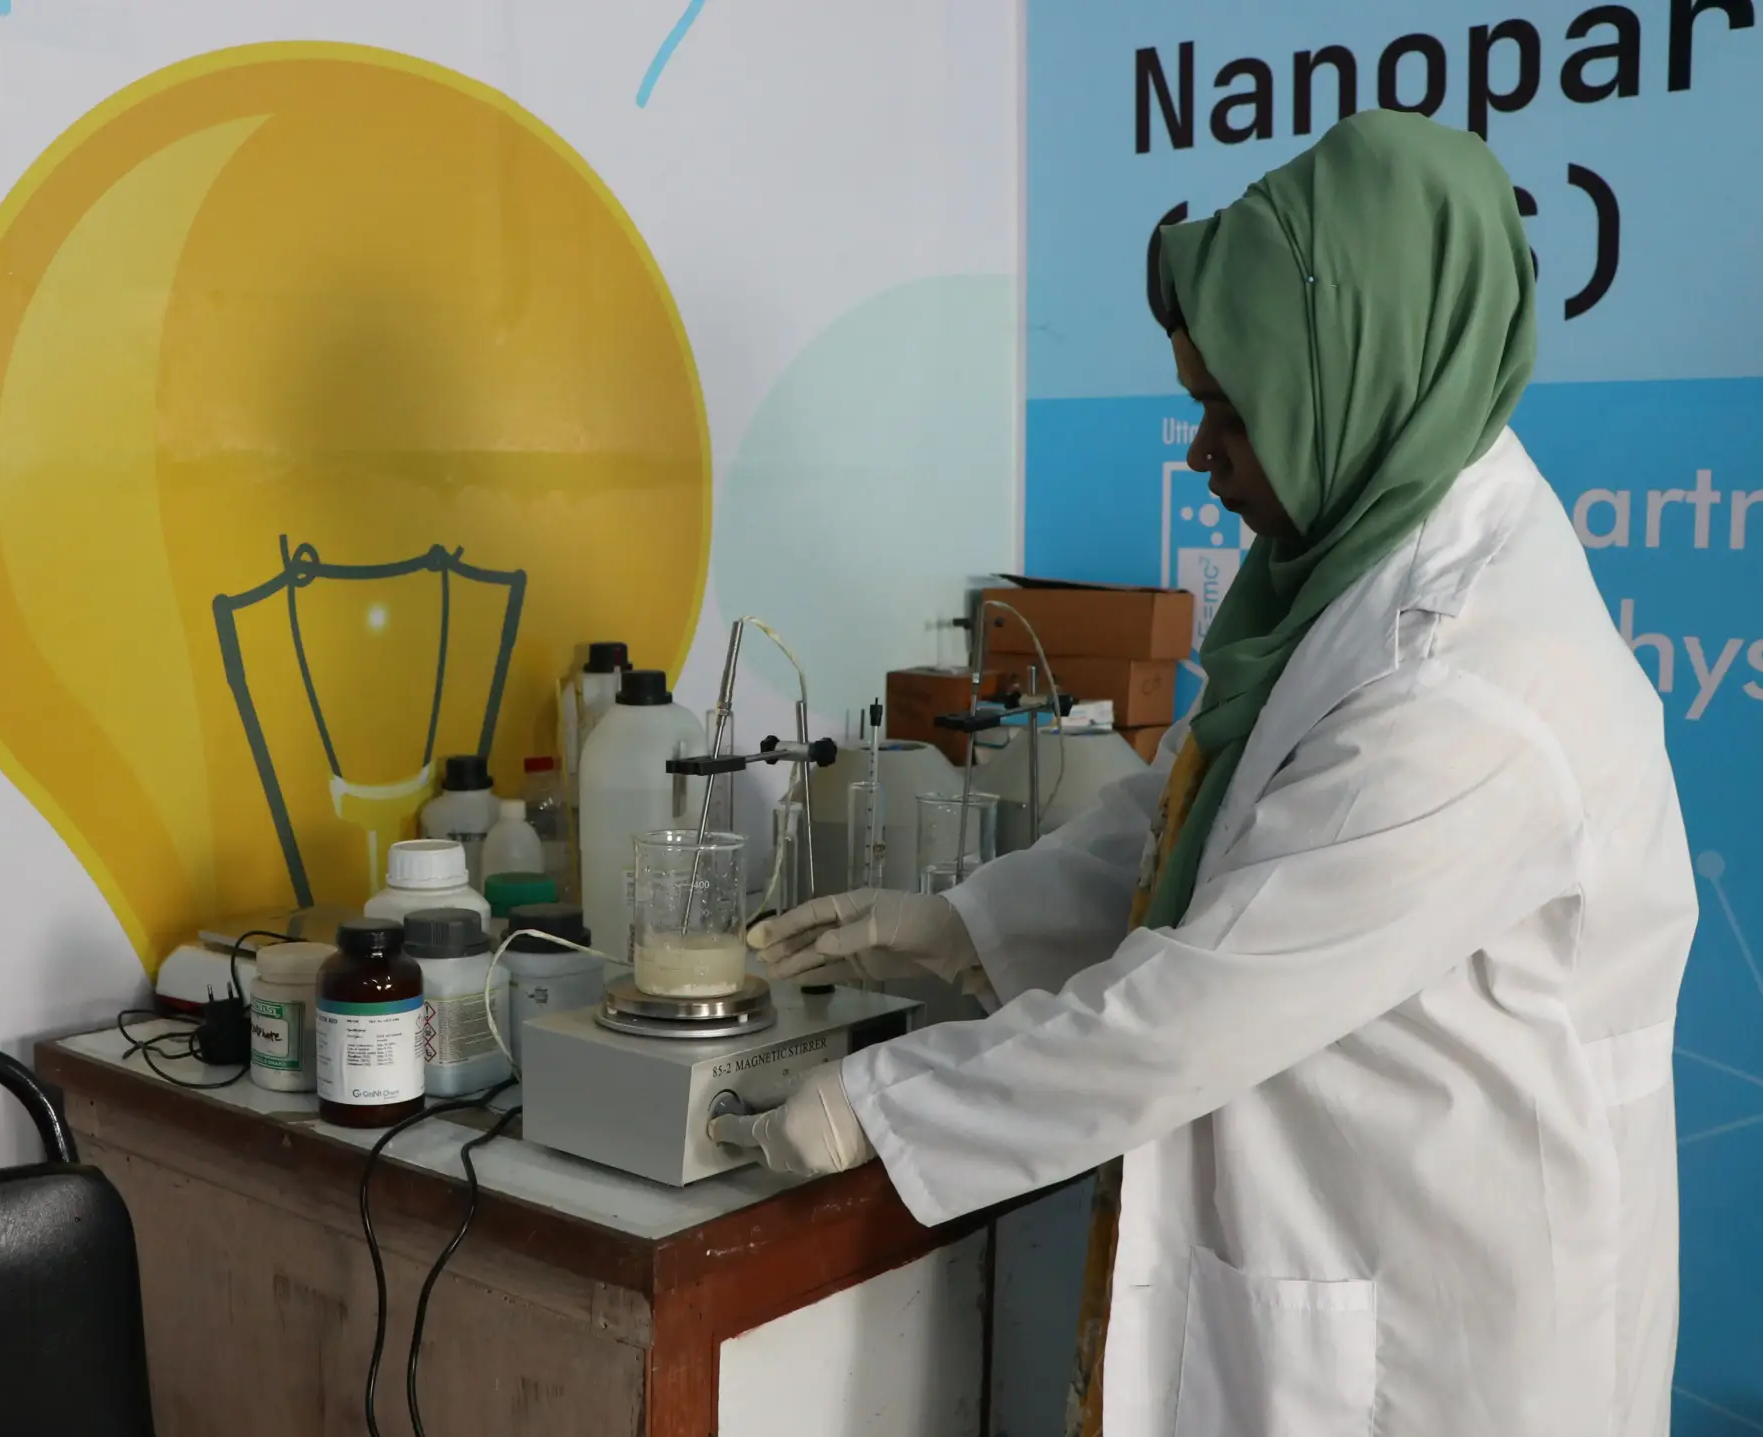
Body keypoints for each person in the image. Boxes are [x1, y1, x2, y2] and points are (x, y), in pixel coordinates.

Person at [710, 110, 1694, 1437]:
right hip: (1341, 1234)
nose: (1199, 455)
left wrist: (877, 1109)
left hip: (1446, 1323)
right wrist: (959, 926)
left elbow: (1194, 1006)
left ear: (1355, 378)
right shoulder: (1353, 560)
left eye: (1232, 412)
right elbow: (1197, 821)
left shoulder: (1471, 683)